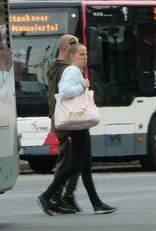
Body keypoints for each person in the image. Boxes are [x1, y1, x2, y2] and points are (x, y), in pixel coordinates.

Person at [38, 40, 116, 216]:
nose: (85, 57)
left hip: (79, 121)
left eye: (86, 54)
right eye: (82, 54)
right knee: (76, 164)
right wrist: (83, 85)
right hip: (77, 122)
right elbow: (64, 92)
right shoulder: (72, 70)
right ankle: (47, 195)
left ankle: (97, 204)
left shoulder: (75, 70)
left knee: (85, 165)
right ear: (71, 56)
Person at [44, 34, 80, 212]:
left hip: (59, 118)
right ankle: (57, 197)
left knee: (74, 158)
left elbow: (52, 98)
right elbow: (67, 94)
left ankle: (67, 196)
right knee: (68, 160)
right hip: (68, 120)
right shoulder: (67, 70)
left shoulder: (53, 69)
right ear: (67, 48)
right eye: (76, 47)